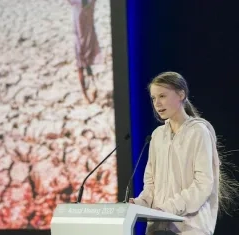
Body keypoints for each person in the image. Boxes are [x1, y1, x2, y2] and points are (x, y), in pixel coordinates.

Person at [129, 72, 238, 235]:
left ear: (181, 94)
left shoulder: (198, 132)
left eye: (162, 96)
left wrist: (167, 208)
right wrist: (139, 203)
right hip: (158, 228)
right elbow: (151, 184)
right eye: (153, 98)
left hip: (189, 228)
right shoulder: (157, 135)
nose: (157, 103)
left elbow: (203, 184)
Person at [68, 0, 102, 103]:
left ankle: (85, 93)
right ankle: (91, 86)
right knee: (86, 65)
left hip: (81, 41)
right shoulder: (90, 3)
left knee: (81, 68)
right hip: (88, 40)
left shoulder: (76, 4)